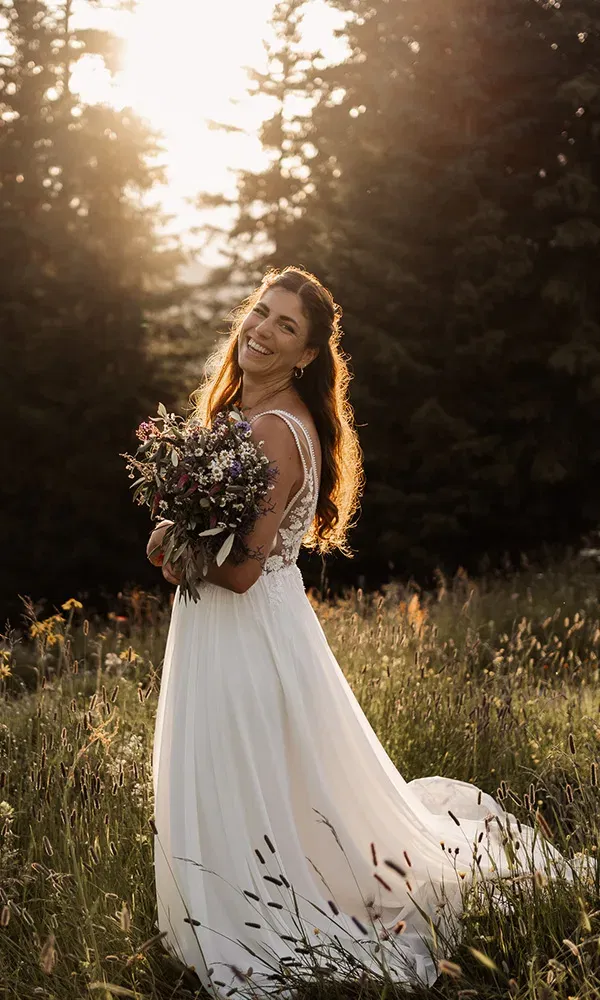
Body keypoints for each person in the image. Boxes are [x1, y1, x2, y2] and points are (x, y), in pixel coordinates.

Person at [148, 267, 570, 999]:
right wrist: (180, 536)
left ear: (307, 356)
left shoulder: (278, 430)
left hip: (248, 631)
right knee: (261, 775)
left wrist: (170, 547)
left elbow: (242, 571)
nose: (263, 330)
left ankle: (260, 910)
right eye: (261, 312)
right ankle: (232, 892)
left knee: (249, 773)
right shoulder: (238, 417)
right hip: (236, 630)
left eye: (286, 327)